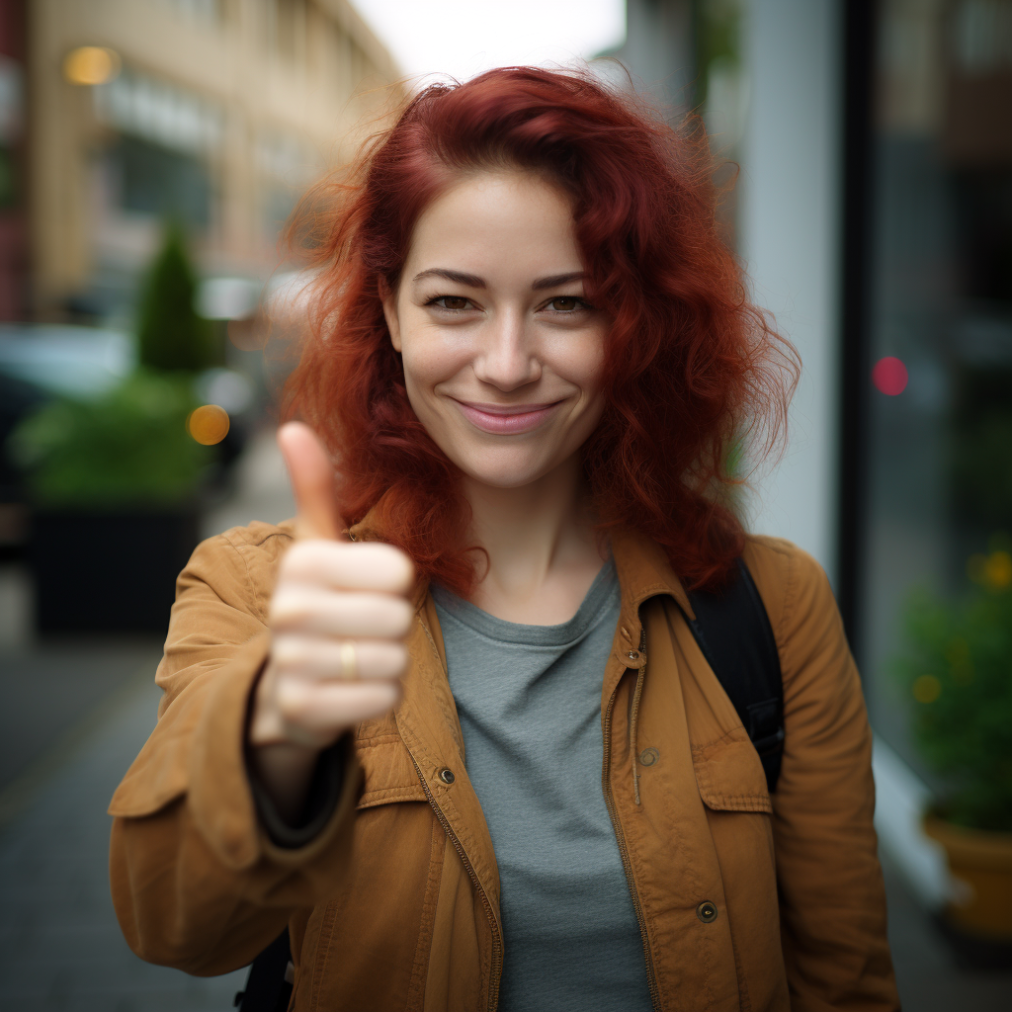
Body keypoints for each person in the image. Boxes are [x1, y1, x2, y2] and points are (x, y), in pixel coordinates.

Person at [109, 68, 900, 1011]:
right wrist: (277, 727)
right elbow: (174, 930)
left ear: (632, 324)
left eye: (566, 303)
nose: (508, 363)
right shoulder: (256, 590)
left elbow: (846, 982)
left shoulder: (772, 606)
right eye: (455, 303)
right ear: (391, 310)